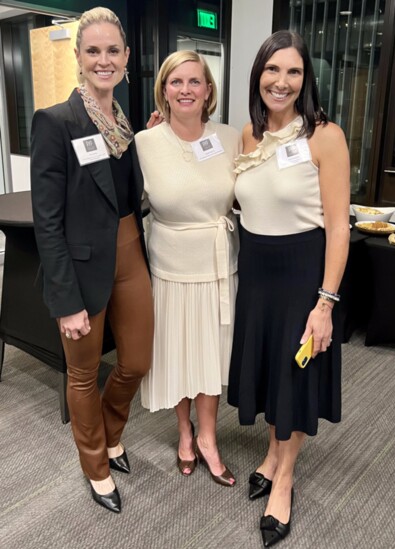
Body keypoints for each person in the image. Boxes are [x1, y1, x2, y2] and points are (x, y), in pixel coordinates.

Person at [227, 30, 350, 546]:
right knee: (270, 371)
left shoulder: (324, 135)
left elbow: (339, 226)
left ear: (306, 79)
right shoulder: (247, 136)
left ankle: (286, 478)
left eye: (293, 71)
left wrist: (325, 303)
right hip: (256, 273)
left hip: (304, 275)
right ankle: (272, 454)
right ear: (258, 74)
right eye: (272, 70)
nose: (281, 81)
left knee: (295, 376)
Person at [30, 7, 154, 513]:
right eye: (93, 51)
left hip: (129, 252)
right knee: (82, 374)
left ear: (126, 58)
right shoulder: (56, 122)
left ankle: (111, 429)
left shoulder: (126, 123)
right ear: (79, 59)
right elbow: (47, 222)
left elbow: (130, 193)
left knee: (137, 361)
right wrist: (65, 300)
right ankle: (96, 464)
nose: (104, 60)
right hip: (80, 268)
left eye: (113, 51)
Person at [135, 51, 240, 486]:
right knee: (178, 354)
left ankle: (209, 438)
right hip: (169, 268)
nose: (185, 90)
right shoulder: (144, 143)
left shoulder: (233, 138)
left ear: (209, 90)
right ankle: (184, 433)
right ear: (163, 89)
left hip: (218, 266)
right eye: (175, 82)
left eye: (194, 82)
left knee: (211, 356)